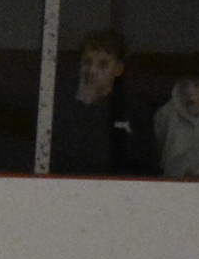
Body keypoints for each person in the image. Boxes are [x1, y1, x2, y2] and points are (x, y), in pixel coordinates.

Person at [47, 28, 153, 177]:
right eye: (87, 62)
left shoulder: (135, 111)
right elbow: (56, 160)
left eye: (103, 64)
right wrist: (83, 106)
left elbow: (146, 167)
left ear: (118, 69)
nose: (92, 70)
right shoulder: (61, 107)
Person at [158, 70, 199, 178]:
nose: (190, 91)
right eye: (185, 85)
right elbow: (158, 152)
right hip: (172, 183)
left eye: (197, 85)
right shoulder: (165, 114)